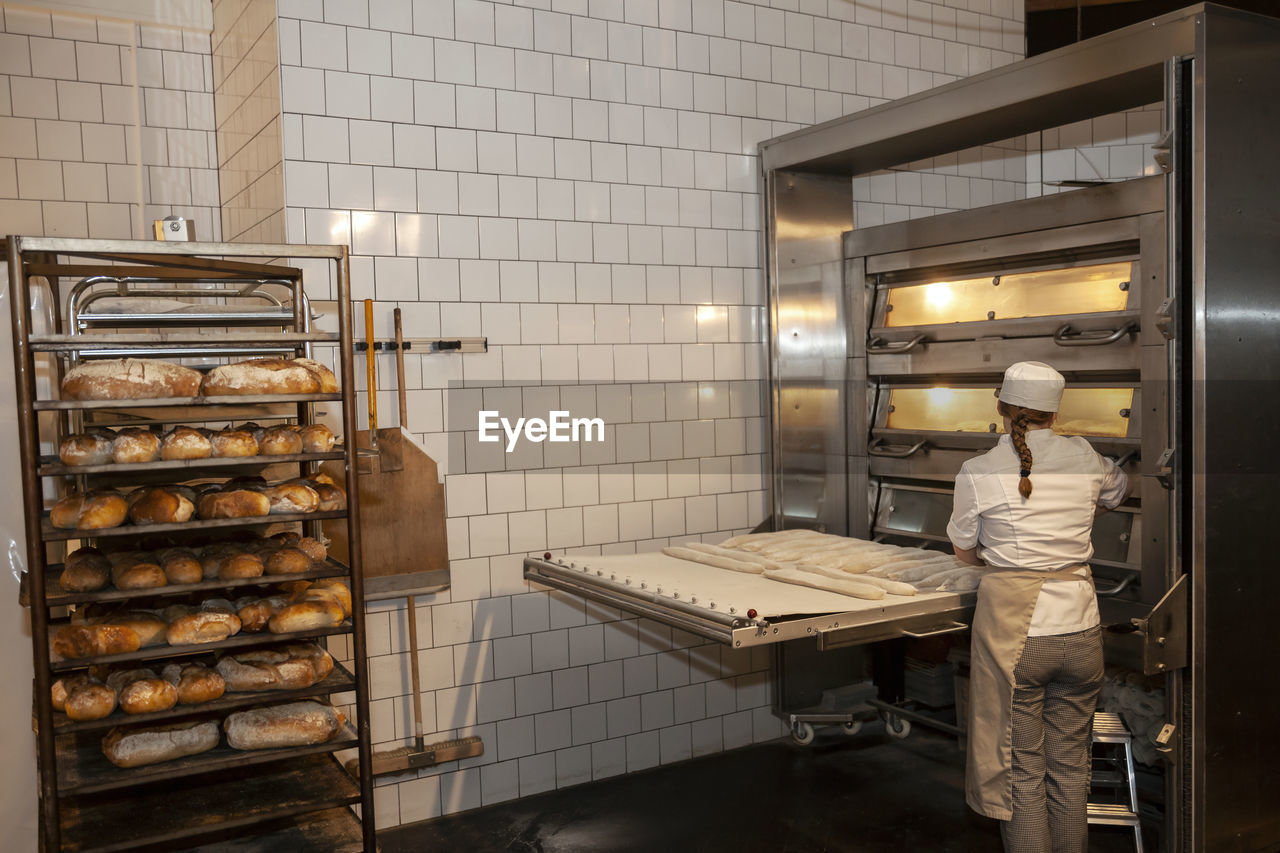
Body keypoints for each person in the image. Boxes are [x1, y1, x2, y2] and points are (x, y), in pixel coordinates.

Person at [946, 361, 1128, 853]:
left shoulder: (978, 471)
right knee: (1071, 767)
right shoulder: (1087, 456)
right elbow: (1117, 491)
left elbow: (965, 551)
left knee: (1022, 772)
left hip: (1016, 639)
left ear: (1002, 408)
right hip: (1082, 630)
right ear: (1055, 412)